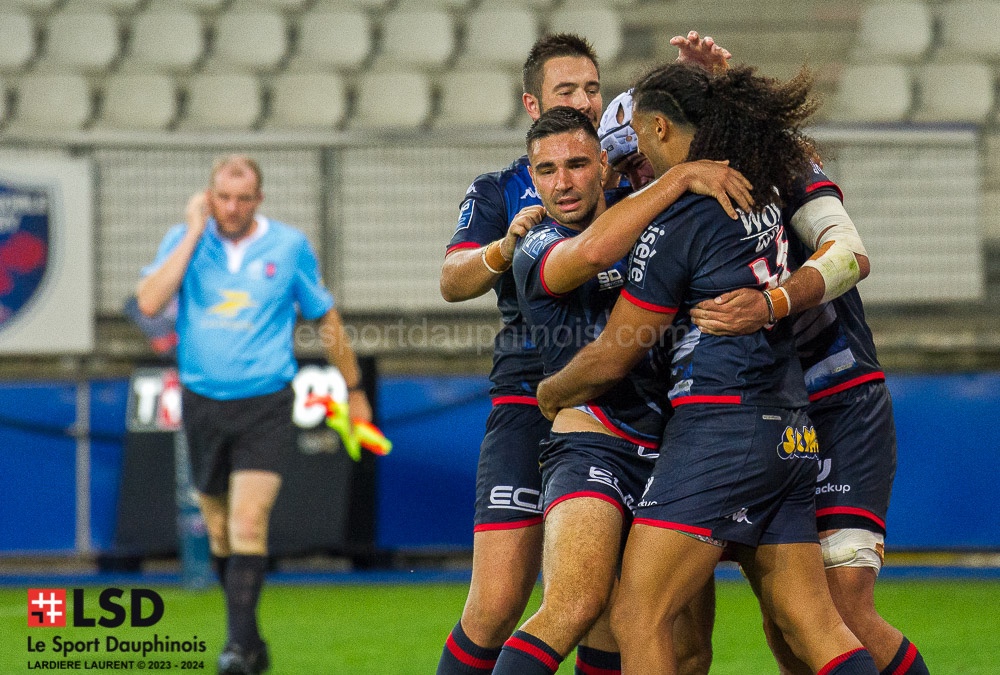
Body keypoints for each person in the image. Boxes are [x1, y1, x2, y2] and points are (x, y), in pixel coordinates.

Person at [536, 63, 880, 674]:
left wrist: (554, 390)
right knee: (813, 623)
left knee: (639, 613)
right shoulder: (763, 192)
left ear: (662, 127)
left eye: (640, 139)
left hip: (721, 425)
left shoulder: (676, 222)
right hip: (792, 429)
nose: (636, 159)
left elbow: (620, 349)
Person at [436, 31, 732, 675]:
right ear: (532, 104)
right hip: (534, 397)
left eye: (594, 89)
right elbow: (452, 280)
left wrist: (695, 86)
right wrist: (505, 251)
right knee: (501, 601)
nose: (586, 100)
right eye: (567, 90)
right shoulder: (505, 195)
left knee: (626, 613)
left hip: (642, 407)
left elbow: (690, 141)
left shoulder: (627, 181)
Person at [488, 107, 752, 675]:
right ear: (532, 179)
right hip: (594, 443)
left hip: (679, 450)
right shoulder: (536, 246)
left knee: (686, 648)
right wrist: (679, 177)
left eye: (578, 164)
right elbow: (591, 254)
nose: (563, 182)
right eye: (547, 170)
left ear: (605, 166)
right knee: (573, 605)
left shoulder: (655, 228)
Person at [688, 167, 930, 675]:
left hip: (838, 403)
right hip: (761, 412)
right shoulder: (666, 182)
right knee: (788, 619)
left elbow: (850, 255)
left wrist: (771, 304)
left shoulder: (781, 164)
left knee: (842, 612)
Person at [137, 155, 371, 675]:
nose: (233, 208)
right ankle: (250, 638)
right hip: (202, 404)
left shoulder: (288, 246)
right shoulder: (186, 238)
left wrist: (353, 388)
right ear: (209, 196)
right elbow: (150, 301)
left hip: (265, 402)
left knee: (248, 521)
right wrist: (194, 230)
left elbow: (324, 317)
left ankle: (238, 649)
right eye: (223, 197)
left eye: (244, 198)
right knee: (219, 532)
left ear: (259, 200)